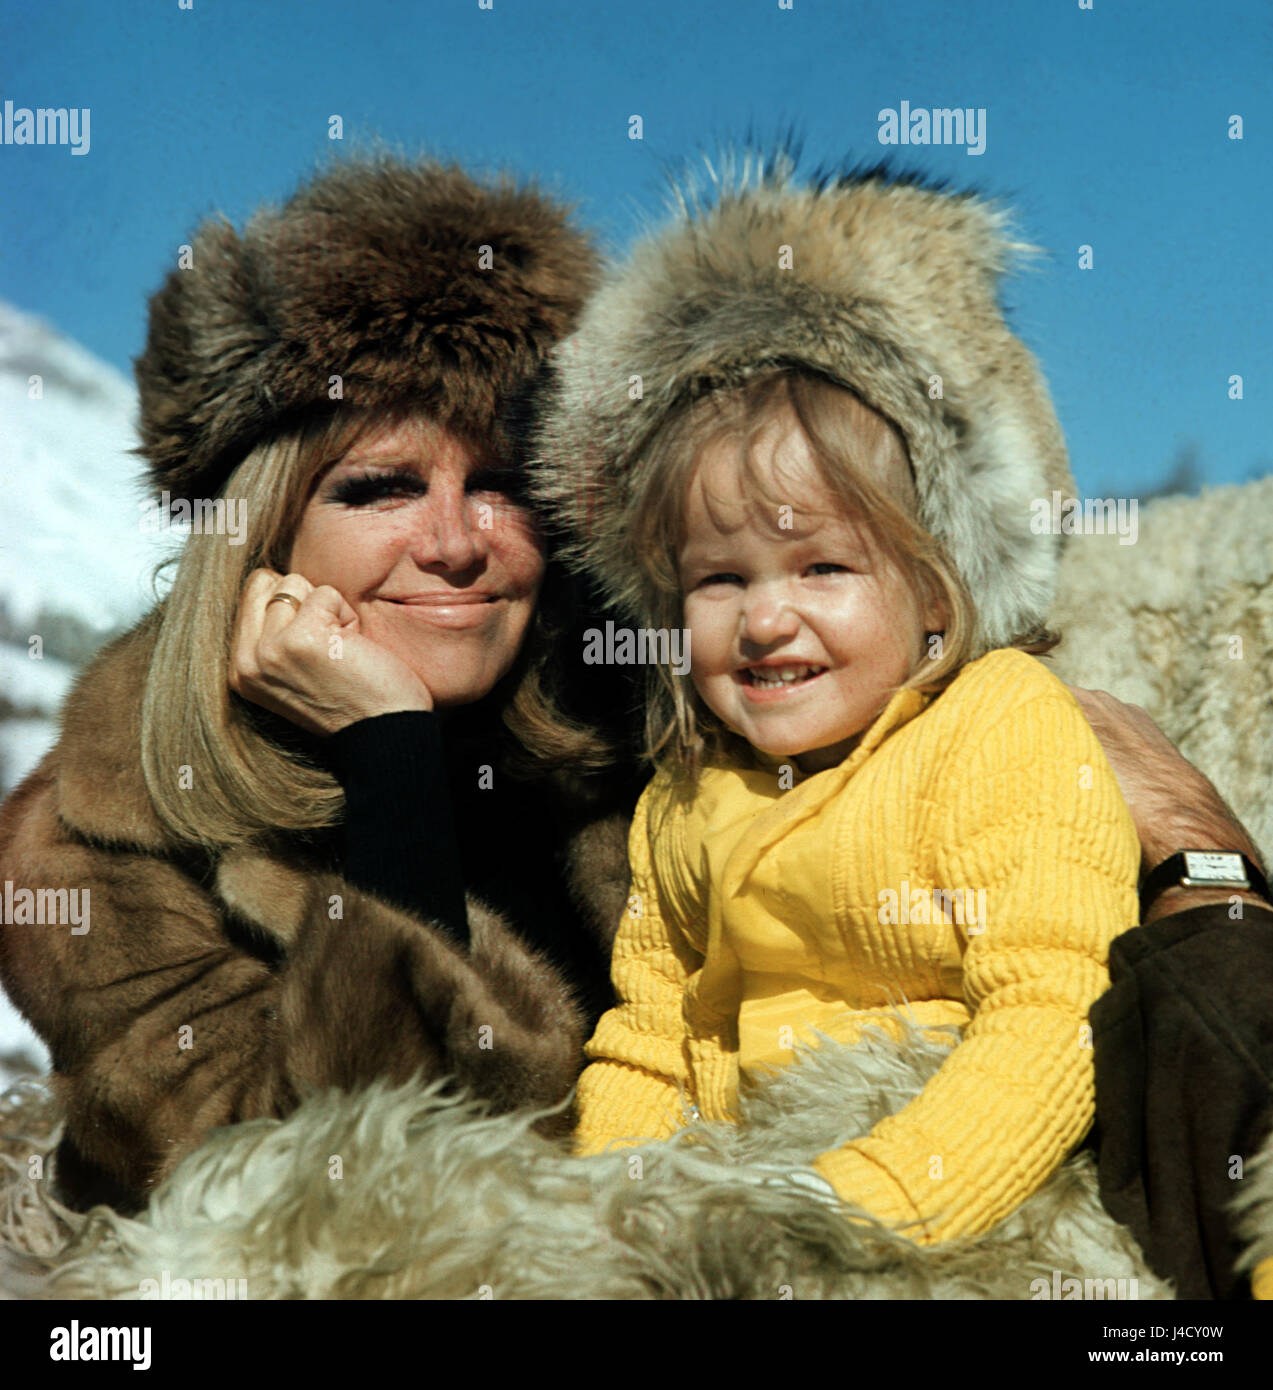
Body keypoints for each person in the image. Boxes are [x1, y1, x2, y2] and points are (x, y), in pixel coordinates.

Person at [532, 156, 1273, 1258]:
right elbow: (653, 1040)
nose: (766, 619)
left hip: (969, 1197)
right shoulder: (686, 795)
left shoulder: (998, 725)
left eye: (822, 567)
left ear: (937, 590)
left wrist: (857, 1209)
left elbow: (1049, 1006)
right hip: (742, 1205)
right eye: (720, 580)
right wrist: (598, 1231)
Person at [0, 155, 640, 1216]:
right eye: (379, 487)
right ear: (264, 535)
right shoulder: (96, 843)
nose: (452, 542)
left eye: (499, 484)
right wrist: (389, 759)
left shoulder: (641, 760)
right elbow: (323, 1203)